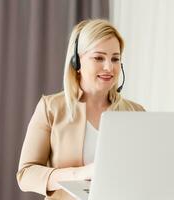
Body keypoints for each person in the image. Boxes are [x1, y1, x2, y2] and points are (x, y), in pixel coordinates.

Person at [16, 19, 145, 200]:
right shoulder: (51, 108)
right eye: (98, 57)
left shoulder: (135, 113)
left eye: (115, 58)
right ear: (77, 62)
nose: (109, 67)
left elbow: (144, 173)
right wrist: (78, 174)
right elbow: (26, 175)